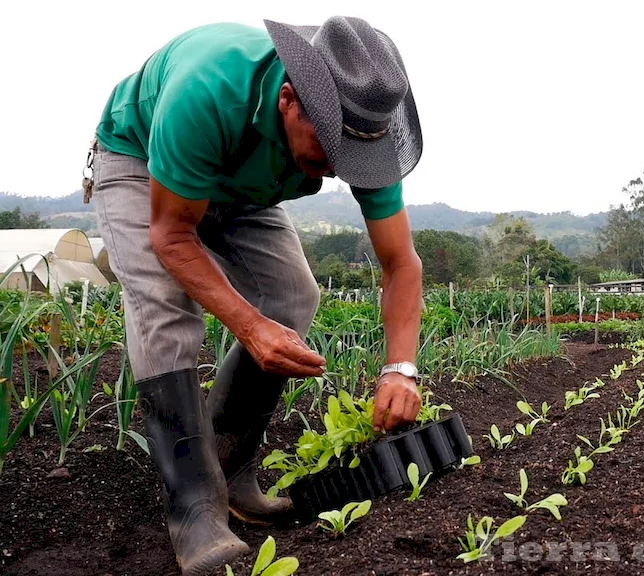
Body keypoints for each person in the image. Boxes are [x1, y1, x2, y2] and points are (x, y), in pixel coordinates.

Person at [84, 16, 424, 575]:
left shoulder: (361, 129)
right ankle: (194, 508)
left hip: (244, 184)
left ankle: (229, 472)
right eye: (325, 153)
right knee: (168, 316)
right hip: (143, 163)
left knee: (292, 298)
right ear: (289, 99)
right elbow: (171, 236)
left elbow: (400, 262)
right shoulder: (208, 90)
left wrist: (400, 368)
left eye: (351, 160)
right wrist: (249, 325)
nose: (340, 172)